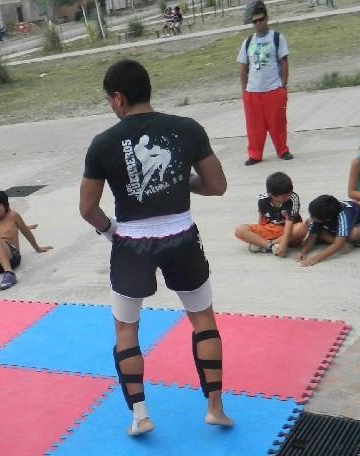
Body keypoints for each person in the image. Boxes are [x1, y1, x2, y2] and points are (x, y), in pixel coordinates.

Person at [79, 59, 233, 435]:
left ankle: (140, 416)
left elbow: (87, 209)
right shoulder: (187, 128)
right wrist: (181, 181)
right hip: (182, 235)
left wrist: (110, 231)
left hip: (131, 242)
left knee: (126, 329)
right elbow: (216, 185)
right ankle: (215, 408)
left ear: (118, 98)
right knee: (203, 319)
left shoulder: (103, 144)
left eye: (109, 100)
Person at [238, 3, 291, 166]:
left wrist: (283, 86)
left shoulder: (277, 38)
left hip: (274, 89)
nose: (258, 23)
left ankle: (282, 150)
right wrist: (244, 92)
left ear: (266, 19)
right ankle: (255, 154)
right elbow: (243, 68)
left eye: (261, 19)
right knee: (254, 127)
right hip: (253, 92)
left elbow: (284, 62)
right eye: (255, 21)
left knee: (278, 123)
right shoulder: (247, 42)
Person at [234, 171, 307, 256]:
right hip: (270, 229)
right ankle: (271, 247)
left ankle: (265, 245)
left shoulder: (293, 198)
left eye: (290, 193)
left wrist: (284, 243)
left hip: (289, 231)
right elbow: (261, 219)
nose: (288, 197)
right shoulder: (262, 200)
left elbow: (289, 221)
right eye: (284, 196)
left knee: (302, 228)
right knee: (240, 229)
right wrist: (259, 233)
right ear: (271, 195)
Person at [298, 195, 360, 267]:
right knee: (310, 222)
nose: (312, 217)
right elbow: (312, 236)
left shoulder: (344, 216)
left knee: (353, 233)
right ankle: (342, 241)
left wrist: (315, 259)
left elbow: (338, 244)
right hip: (336, 226)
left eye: (313, 216)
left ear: (328, 219)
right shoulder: (323, 212)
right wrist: (303, 251)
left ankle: (346, 242)